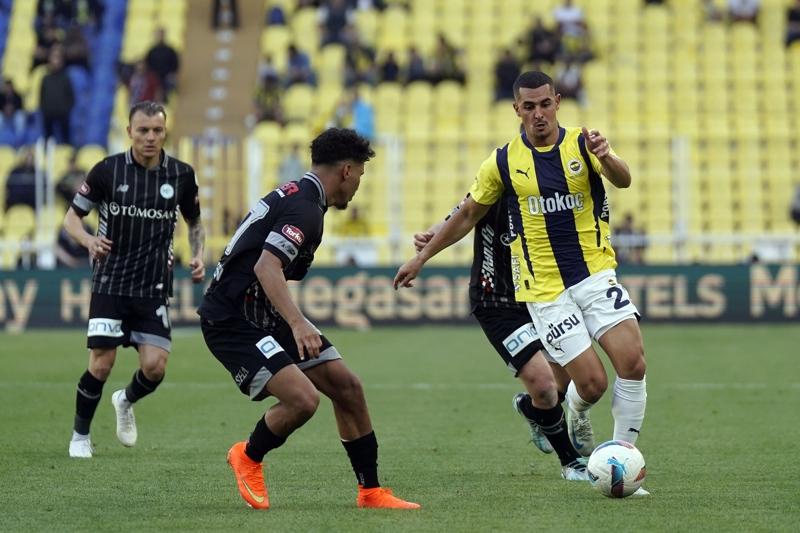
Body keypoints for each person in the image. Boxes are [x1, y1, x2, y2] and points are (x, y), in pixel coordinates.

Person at [394, 72, 649, 494]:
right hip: (545, 290)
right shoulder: (501, 162)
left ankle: (623, 460)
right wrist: (422, 257)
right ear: (517, 109)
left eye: (545, 104)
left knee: (634, 363)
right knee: (592, 384)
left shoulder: (583, 144)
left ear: (557, 102)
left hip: (595, 273)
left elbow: (623, 180)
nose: (538, 114)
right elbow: (467, 214)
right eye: (529, 107)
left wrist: (607, 157)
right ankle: (576, 411)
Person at [198, 128, 419, 510]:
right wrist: (298, 323)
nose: (358, 185)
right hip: (232, 319)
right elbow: (267, 267)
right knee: (303, 400)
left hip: (260, 311)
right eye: (360, 175)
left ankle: (370, 492)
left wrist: (293, 320)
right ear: (346, 171)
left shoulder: (302, 197)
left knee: (347, 387)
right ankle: (247, 456)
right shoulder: (305, 208)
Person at [412, 195, 591, 481]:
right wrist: (431, 237)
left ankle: (530, 409)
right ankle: (571, 463)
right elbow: (461, 213)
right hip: (495, 300)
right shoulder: (495, 179)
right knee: (544, 386)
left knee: (566, 382)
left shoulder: (551, 184)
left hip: (542, 297)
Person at [64, 101, 206, 458]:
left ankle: (125, 400)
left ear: (165, 132)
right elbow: (71, 219)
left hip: (153, 287)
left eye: (157, 130)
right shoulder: (107, 171)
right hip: (110, 282)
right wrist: (89, 241)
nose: (150, 137)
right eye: (143, 130)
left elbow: (195, 222)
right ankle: (80, 436)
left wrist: (198, 253)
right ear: (129, 132)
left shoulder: (181, 175)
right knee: (101, 363)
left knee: (155, 368)